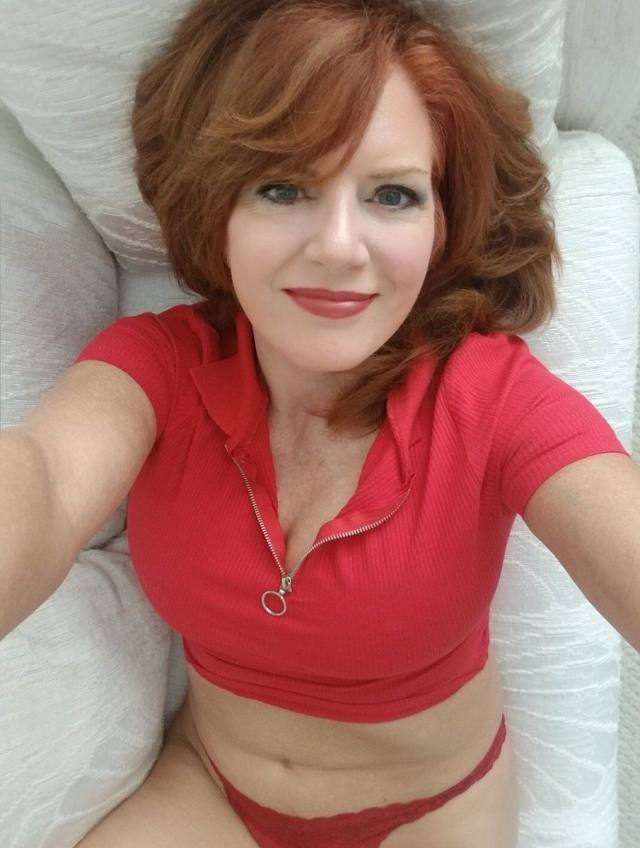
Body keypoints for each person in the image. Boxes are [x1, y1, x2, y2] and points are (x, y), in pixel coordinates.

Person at [2, 0, 637, 846]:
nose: (339, 247)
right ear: (217, 206)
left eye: (393, 195)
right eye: (284, 187)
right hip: (211, 790)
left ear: (441, 223)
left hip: (432, 817)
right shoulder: (156, 368)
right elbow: (44, 481)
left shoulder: (495, 398)